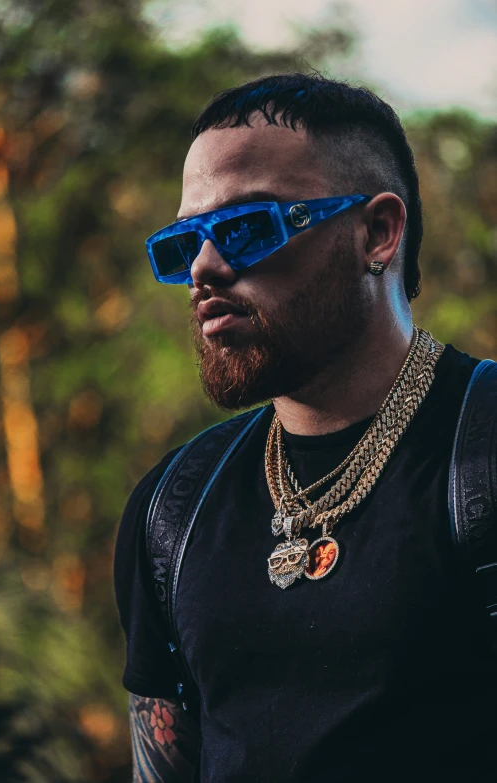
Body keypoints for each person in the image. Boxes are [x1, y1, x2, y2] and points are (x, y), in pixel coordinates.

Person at [114, 73, 496, 782]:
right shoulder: (171, 508)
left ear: (377, 233)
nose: (203, 267)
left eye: (246, 229)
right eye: (181, 244)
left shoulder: (483, 446)